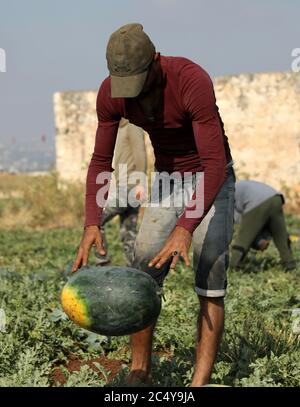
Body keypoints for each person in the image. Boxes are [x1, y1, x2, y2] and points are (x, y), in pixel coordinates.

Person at [72, 23, 235, 387]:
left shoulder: (191, 80)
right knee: (144, 272)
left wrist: (184, 228)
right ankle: (139, 372)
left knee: (210, 275)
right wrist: (92, 222)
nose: (135, 96)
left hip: (212, 178)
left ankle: (199, 383)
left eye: (140, 84)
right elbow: (101, 162)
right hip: (165, 180)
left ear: (156, 64)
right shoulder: (111, 94)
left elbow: (212, 165)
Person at [95, 118, 147, 266]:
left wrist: (141, 183)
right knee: (128, 233)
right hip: (123, 187)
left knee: (95, 220)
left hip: (130, 188)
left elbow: (140, 152)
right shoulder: (119, 128)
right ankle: (137, 269)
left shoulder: (133, 125)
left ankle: (102, 262)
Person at [230, 180, 296, 270]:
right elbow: (258, 221)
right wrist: (264, 236)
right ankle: (289, 264)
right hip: (276, 198)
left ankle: (234, 265)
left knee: (243, 238)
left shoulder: (223, 195)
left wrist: (258, 240)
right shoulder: (236, 186)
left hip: (257, 202)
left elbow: (244, 223)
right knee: (281, 236)